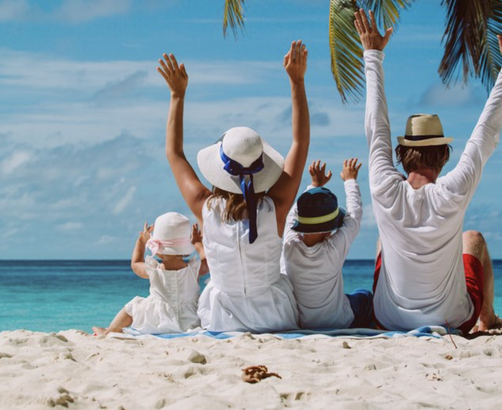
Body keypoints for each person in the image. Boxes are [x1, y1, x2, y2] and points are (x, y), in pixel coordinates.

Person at [356, 8, 502, 333]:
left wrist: (373, 55)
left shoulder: (383, 185)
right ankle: (487, 319)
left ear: (400, 153)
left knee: (384, 239)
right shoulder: (453, 191)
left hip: (387, 319)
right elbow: (484, 136)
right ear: (445, 155)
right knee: (473, 239)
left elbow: (375, 126)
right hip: (452, 320)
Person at [156, 41, 310, 332]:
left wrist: (177, 95)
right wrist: (297, 81)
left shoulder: (206, 207)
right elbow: (300, 143)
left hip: (221, 318)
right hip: (274, 316)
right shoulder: (275, 208)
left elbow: (174, 153)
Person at [282, 158, 373, 329]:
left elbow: (292, 215)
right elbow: (354, 215)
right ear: (331, 229)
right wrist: (350, 180)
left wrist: (314, 185)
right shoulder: (333, 249)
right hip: (339, 321)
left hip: (303, 323)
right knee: (364, 295)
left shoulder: (290, 246)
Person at [91, 212, 205, 336]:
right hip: (190, 319)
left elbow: (135, 264)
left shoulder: (153, 269)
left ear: (158, 250)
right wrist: (198, 243)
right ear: (185, 249)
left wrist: (141, 241)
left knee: (133, 305)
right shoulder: (194, 269)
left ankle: (109, 331)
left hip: (157, 320)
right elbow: (208, 262)